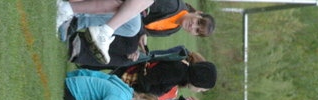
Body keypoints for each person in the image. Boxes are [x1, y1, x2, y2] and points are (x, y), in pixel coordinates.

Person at [58, 1, 215, 64]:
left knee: (130, 54)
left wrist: (141, 40)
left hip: (130, 17)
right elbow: (140, 6)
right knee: (132, 28)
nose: (193, 26)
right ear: (198, 13)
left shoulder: (173, 29)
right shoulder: (174, 6)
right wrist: (140, 33)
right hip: (126, 6)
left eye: (196, 31)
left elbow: (144, 27)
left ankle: (81, 45)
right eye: (198, 22)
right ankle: (78, 21)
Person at [117, 53, 217, 97]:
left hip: (129, 82)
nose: (198, 91)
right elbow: (147, 78)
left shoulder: (181, 73)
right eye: (201, 89)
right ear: (199, 81)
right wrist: (144, 94)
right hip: (127, 79)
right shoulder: (178, 72)